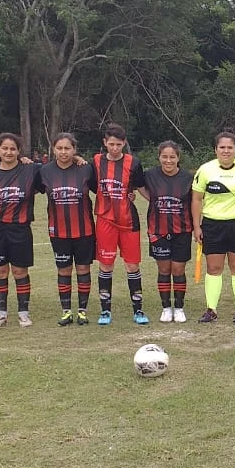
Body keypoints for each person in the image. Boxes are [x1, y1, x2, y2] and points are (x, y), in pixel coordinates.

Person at [192, 132, 235, 323]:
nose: (226, 151)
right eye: (222, 147)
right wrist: (197, 226)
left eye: (230, 147)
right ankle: (211, 310)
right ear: (216, 150)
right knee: (214, 267)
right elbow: (196, 199)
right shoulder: (205, 170)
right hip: (212, 225)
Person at [0, 132, 42, 328]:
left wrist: (76, 158)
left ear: (19, 151)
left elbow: (58, 166)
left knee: (19, 271)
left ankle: (23, 314)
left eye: (13, 148)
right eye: (4, 148)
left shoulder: (30, 170)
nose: (8, 152)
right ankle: (1, 315)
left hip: (19, 228)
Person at [90, 123, 148, 325]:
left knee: (132, 265)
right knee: (106, 265)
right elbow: (89, 184)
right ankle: (105, 311)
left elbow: (141, 187)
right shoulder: (95, 162)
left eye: (118, 144)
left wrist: (157, 202)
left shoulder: (134, 163)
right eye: (111, 144)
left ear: (124, 143)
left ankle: (138, 310)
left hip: (128, 221)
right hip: (105, 221)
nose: (114, 148)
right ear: (105, 143)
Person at [40, 133, 97, 326]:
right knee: (63, 270)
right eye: (59, 148)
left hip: (84, 231)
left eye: (68, 148)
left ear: (74, 150)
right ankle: (66, 311)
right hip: (59, 232)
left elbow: (101, 189)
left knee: (83, 269)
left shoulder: (86, 169)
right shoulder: (44, 171)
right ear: (53, 149)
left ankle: (82, 311)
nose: (63, 152)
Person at [140, 141, 194, 323]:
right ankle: (166, 308)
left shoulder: (188, 177)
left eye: (172, 157)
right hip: (158, 230)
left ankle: (178, 307)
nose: (168, 160)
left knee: (178, 269)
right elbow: (136, 184)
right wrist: (152, 199)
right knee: (164, 268)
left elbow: (196, 202)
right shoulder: (150, 175)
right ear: (159, 157)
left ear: (178, 158)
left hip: (183, 230)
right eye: (164, 156)